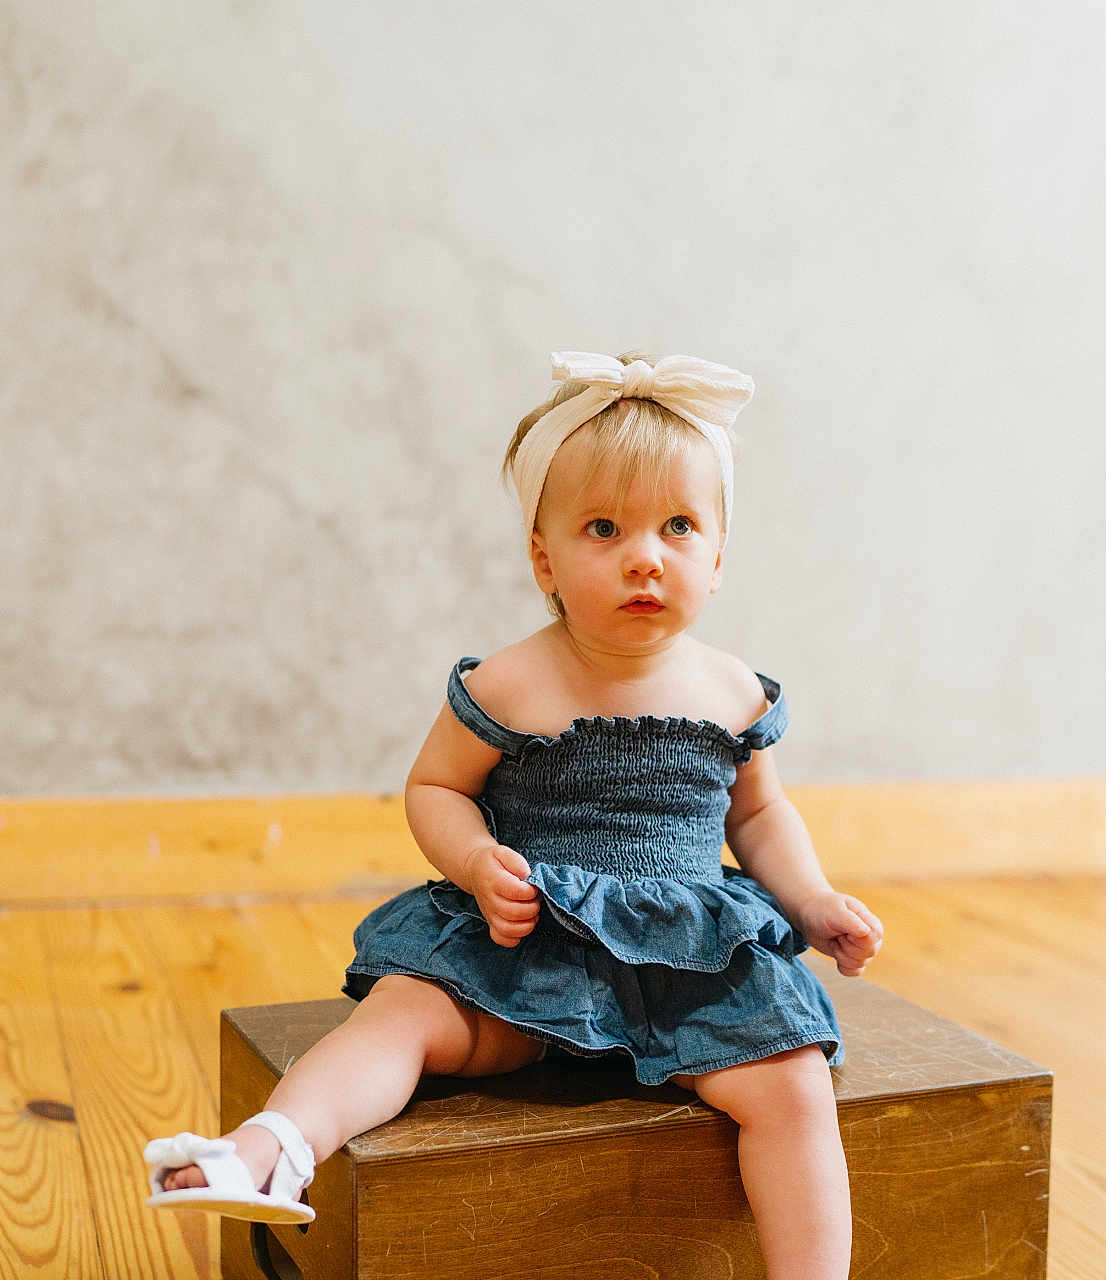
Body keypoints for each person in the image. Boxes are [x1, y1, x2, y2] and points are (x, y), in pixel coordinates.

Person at [143, 348, 884, 1277]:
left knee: (794, 1085)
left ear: (720, 554)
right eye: (605, 529)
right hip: (525, 949)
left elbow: (760, 815)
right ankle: (267, 1152)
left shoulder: (734, 693)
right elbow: (435, 787)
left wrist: (811, 900)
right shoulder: (513, 681)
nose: (645, 557)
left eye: (680, 526)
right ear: (546, 555)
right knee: (402, 1018)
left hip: (688, 965)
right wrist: (474, 861)